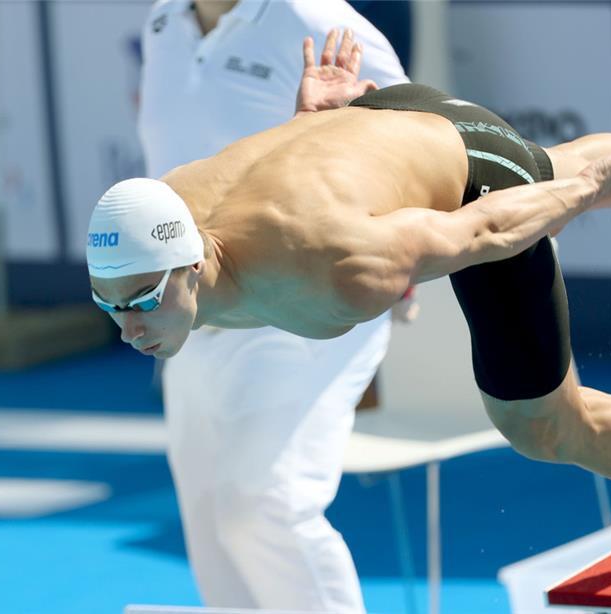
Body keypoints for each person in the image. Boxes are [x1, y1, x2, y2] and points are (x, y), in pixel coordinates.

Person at [88, 31, 611, 614]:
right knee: (557, 163)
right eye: (108, 303)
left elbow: (486, 226)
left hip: (470, 184)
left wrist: (587, 192)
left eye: (143, 301)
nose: (128, 328)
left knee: (542, 423)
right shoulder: (170, 203)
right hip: (373, 120)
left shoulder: (335, 266)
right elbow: (276, 171)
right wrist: (308, 123)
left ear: (194, 264)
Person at [135, 1, 410, 611]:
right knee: (209, 517)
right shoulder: (161, 22)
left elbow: (428, 143)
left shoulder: (321, 23)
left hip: (300, 306)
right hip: (191, 311)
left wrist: (399, 250)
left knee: (263, 504)